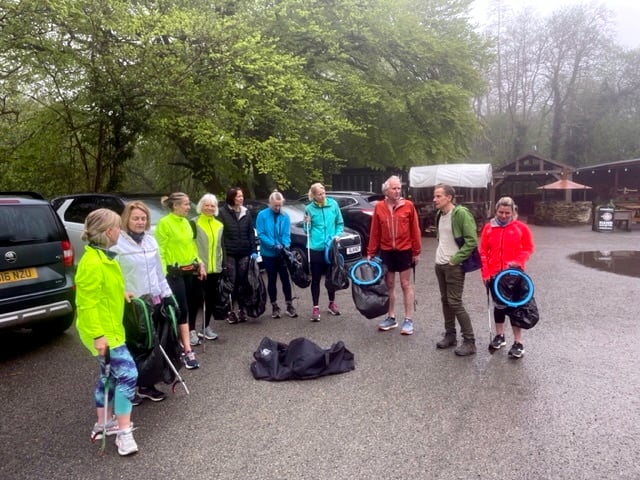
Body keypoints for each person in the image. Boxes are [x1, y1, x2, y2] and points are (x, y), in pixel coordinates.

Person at [75, 208, 138, 456]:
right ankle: (124, 434)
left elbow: (103, 290)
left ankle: (104, 424)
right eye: (117, 227)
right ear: (108, 231)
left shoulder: (104, 256)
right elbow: (86, 304)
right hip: (103, 332)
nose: (120, 231)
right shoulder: (92, 262)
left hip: (110, 328)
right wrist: (98, 336)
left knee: (108, 377)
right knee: (129, 375)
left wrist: (121, 294)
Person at [110, 201, 174, 405]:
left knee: (151, 345)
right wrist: (120, 292)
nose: (140, 222)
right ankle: (131, 386)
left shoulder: (151, 241)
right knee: (134, 346)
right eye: (136, 218)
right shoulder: (116, 244)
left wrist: (167, 294)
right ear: (126, 219)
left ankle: (147, 385)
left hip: (152, 300)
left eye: (143, 218)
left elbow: (157, 271)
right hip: (132, 304)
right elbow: (111, 276)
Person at [479, 196, 535, 358]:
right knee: (499, 307)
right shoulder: (489, 228)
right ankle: (500, 336)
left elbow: (528, 248)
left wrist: (518, 262)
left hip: (515, 275)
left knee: (515, 308)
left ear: (513, 212)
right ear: (496, 211)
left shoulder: (521, 228)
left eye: (507, 213)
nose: (503, 215)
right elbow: (483, 252)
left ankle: (518, 343)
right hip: (495, 274)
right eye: (500, 212)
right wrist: (485, 273)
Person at [155, 192, 205, 369]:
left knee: (191, 306)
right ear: (175, 206)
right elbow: (159, 251)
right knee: (181, 309)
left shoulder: (186, 223)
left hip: (189, 271)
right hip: (173, 273)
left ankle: (179, 344)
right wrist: (162, 276)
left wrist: (199, 263)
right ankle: (187, 350)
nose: (188, 207)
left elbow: (191, 247)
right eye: (185, 204)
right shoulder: (164, 223)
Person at [367, 175, 422, 335]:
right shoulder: (379, 207)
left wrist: (416, 251)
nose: (397, 191)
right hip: (386, 251)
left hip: (405, 250)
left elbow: (415, 230)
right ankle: (391, 317)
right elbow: (375, 231)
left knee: (405, 284)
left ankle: (408, 320)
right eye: (394, 188)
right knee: (389, 284)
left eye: (399, 188)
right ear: (387, 190)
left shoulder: (408, 206)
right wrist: (370, 252)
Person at [433, 184, 479, 356]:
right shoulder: (439, 214)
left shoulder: (460, 214)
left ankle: (470, 341)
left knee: (455, 302)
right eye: (435, 196)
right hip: (440, 264)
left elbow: (471, 241)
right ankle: (450, 335)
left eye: (438, 196)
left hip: (453, 266)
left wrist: (455, 260)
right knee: (445, 300)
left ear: (449, 197)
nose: (435, 199)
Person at [304, 183, 344, 322]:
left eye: (324, 193)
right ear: (314, 195)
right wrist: (306, 223)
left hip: (330, 247)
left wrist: (337, 235)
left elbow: (340, 223)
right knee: (315, 279)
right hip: (316, 248)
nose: (323, 196)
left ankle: (331, 303)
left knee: (331, 276)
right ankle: (315, 307)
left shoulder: (333, 205)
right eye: (319, 194)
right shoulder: (309, 208)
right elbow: (306, 230)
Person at [217, 187, 257, 323]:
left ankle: (241, 309)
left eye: (242, 196)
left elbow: (250, 232)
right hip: (230, 253)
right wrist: (222, 253)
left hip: (244, 252)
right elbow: (220, 236)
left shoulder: (246, 212)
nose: (241, 198)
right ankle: (230, 311)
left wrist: (254, 251)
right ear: (232, 197)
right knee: (231, 283)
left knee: (243, 282)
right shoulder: (222, 212)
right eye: (238, 196)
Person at [256, 191, 298, 319]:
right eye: (275, 206)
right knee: (272, 279)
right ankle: (274, 305)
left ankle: (289, 304)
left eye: (279, 205)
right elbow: (261, 234)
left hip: (282, 253)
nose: (278, 208)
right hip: (268, 253)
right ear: (270, 204)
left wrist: (285, 245)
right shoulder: (262, 215)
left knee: (285, 278)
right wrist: (273, 245)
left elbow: (286, 233)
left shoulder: (284, 216)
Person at [193, 193, 224, 340]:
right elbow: (191, 246)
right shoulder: (194, 223)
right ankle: (191, 329)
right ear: (201, 206)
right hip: (199, 268)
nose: (210, 208)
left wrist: (221, 264)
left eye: (213, 205)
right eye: (207, 205)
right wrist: (198, 263)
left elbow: (219, 247)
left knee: (211, 299)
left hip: (214, 269)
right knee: (196, 299)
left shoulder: (219, 225)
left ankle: (205, 327)